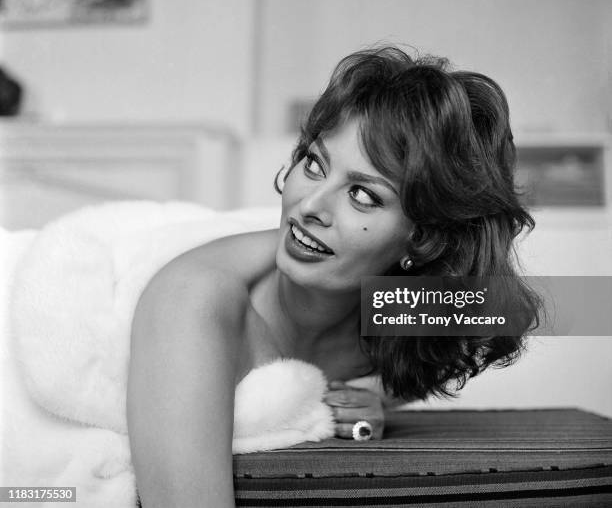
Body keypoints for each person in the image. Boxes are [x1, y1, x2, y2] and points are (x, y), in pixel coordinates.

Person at [127, 46, 541, 507]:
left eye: (362, 194)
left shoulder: (397, 304)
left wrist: (374, 396)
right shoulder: (195, 302)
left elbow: (516, 310)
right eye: (314, 163)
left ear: (421, 239)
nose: (309, 206)